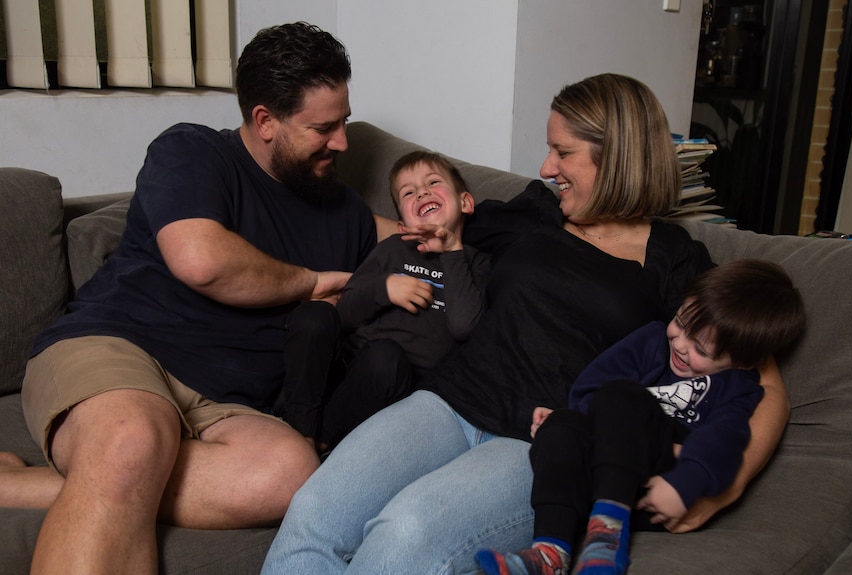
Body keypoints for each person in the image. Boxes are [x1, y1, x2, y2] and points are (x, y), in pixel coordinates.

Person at [261, 73, 790, 575]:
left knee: (406, 530)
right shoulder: (533, 211)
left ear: (618, 158)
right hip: (448, 399)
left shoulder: (675, 259)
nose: (545, 166)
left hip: (541, 443)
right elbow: (413, 229)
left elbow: (763, 382)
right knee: (316, 508)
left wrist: (724, 487)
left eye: (563, 152)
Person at [0, 22, 377, 574]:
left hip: (226, 405)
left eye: (343, 121)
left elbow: (431, 236)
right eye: (323, 128)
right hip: (117, 349)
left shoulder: (343, 211)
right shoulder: (193, 151)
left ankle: (15, 485)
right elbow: (201, 260)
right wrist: (311, 283)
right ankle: (106, 465)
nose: (342, 141)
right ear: (265, 121)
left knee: (288, 474)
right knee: (131, 440)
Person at [475, 259, 806, 575]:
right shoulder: (651, 340)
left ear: (746, 362)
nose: (680, 343)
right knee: (562, 423)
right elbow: (588, 391)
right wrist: (579, 427)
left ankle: (606, 540)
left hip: (659, 488)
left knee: (624, 396)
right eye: (681, 322)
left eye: (701, 350)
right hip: (603, 465)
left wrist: (685, 481)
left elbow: (724, 440)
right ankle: (550, 553)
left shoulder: (739, 387)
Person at [309, 151, 491, 448]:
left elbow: (464, 327)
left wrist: (453, 252)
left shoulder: (477, 264)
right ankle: (318, 440)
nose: (422, 192)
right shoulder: (393, 250)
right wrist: (385, 289)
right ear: (402, 225)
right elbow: (343, 316)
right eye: (409, 192)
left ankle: (329, 447)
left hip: (414, 391)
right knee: (356, 344)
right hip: (358, 370)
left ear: (465, 202)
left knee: (389, 360)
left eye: (433, 182)